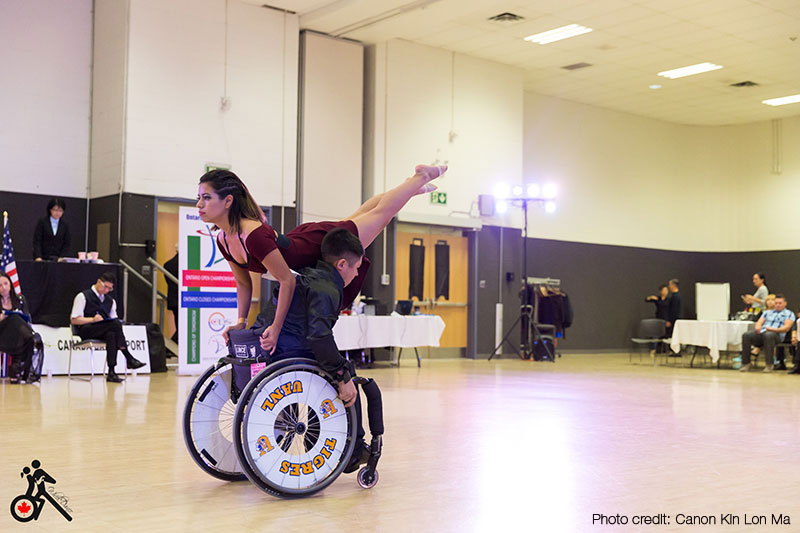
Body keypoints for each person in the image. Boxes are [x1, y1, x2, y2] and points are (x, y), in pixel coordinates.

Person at [197, 164, 446, 353]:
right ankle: (409, 187)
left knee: (381, 215)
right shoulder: (223, 240)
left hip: (314, 245)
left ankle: (419, 178)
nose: (199, 204)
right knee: (363, 216)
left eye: (206, 198)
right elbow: (243, 284)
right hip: (301, 245)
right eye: (199, 197)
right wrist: (241, 321)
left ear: (228, 201)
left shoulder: (252, 234)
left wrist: (275, 327)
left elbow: (287, 281)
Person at [250, 228, 368, 473]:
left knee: (339, 366)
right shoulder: (327, 288)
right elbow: (319, 337)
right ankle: (354, 450)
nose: (357, 274)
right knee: (347, 372)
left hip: (270, 349)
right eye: (356, 268)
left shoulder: (305, 273)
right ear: (342, 264)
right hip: (291, 353)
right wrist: (342, 375)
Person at [70, 272, 145, 382]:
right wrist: (92, 319)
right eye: (105, 287)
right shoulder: (83, 296)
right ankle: (128, 357)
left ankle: (111, 371)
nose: (106, 290)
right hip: (86, 329)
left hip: (104, 329)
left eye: (109, 289)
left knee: (112, 334)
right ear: (98, 282)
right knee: (115, 325)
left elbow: (114, 320)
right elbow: (74, 319)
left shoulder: (110, 301)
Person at [739, 293, 795, 373]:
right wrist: (758, 327)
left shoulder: (789, 313)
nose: (778, 305)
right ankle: (746, 363)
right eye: (776, 303)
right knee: (746, 335)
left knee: (769, 335)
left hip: (777, 335)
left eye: (780, 303)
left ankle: (769, 364)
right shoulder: (767, 312)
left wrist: (773, 329)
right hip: (762, 333)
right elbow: (759, 322)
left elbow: (786, 327)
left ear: (785, 303)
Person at [0, 271, 37, 383]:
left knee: (18, 322)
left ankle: (20, 370)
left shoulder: (20, 300)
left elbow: (27, 318)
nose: (4, 288)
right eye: (0, 285)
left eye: (6, 283)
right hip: (2, 334)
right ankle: (17, 369)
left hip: (16, 335)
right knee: (14, 320)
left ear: (10, 284)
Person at [164, 248, 179, 343]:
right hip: (184, 299)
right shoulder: (184, 264)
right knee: (183, 327)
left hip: (174, 299)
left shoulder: (168, 265)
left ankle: (172, 345)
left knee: (179, 325)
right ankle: (171, 345)